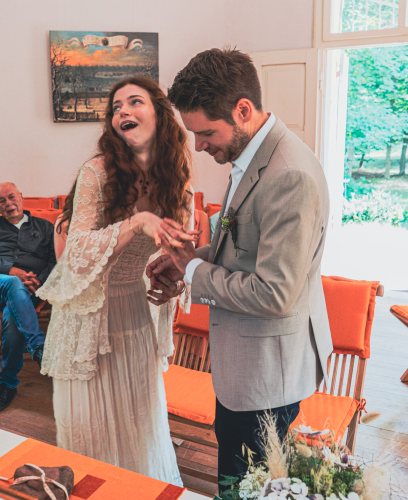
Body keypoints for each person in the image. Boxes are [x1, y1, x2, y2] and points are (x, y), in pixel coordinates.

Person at [147, 48, 334, 490]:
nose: (199, 145)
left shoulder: (289, 175)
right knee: (236, 477)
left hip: (267, 376)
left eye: (206, 132)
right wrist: (189, 261)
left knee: (248, 488)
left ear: (243, 110)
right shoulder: (251, 156)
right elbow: (242, 248)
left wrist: (193, 272)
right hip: (245, 366)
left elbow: (274, 293)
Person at [37, 77, 198, 485]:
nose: (122, 111)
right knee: (91, 432)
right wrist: (138, 221)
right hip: (88, 318)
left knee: (140, 426)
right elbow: (76, 253)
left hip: (133, 314)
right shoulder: (97, 173)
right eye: (115, 107)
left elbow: (178, 255)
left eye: (134, 102)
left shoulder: (178, 183)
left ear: (160, 114)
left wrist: (174, 281)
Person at [0, 182, 55, 414]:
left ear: (21, 197)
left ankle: (7, 385)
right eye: (2, 201)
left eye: (11, 197)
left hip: (29, 291)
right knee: (13, 283)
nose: (8, 203)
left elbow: (55, 261)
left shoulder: (45, 227)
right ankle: (38, 345)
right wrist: (11, 271)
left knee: (13, 313)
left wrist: (39, 281)